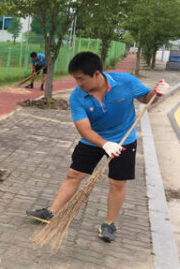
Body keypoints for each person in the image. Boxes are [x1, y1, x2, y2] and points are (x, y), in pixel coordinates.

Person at [26, 52, 168, 242]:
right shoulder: (77, 97)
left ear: (96, 74)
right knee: (74, 175)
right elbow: (84, 129)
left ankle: (109, 224)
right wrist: (104, 143)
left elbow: (146, 98)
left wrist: (156, 93)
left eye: (80, 79)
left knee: (117, 183)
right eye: (76, 79)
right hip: (92, 139)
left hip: (124, 141)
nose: (78, 83)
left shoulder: (125, 81)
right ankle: (52, 212)